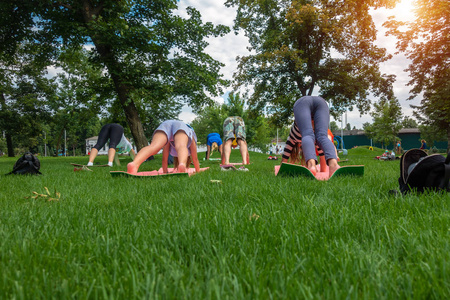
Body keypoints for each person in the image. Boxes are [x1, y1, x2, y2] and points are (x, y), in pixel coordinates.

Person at [282, 96, 340, 177]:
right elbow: (323, 167)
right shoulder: (316, 141)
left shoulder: (294, 135)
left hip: (302, 103)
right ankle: (334, 165)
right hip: (321, 102)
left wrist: (282, 167)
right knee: (323, 137)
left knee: (307, 134)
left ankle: (311, 166)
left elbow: (286, 153)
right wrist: (323, 170)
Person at [127, 120, 200, 174]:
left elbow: (165, 158)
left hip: (166, 124)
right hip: (181, 126)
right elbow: (195, 158)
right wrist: (198, 171)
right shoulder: (190, 134)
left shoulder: (170, 142)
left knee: (153, 146)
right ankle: (182, 164)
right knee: (181, 145)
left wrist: (165, 171)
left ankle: (134, 164)